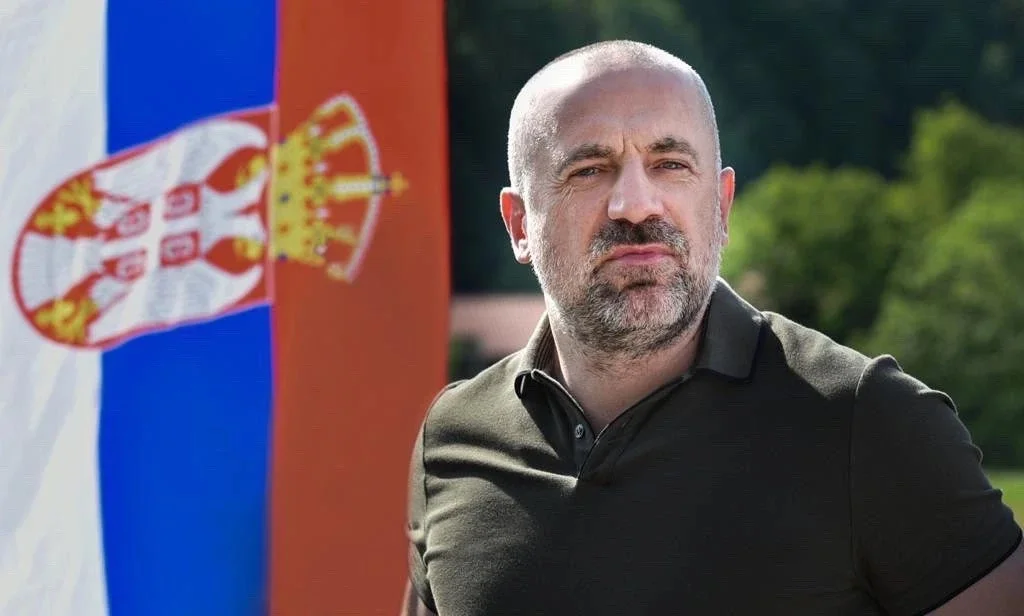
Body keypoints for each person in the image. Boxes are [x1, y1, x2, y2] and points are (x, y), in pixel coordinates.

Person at [401, 40, 1024, 615]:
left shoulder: (869, 421)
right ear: (519, 224)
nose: (636, 204)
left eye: (670, 163)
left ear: (721, 207)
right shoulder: (451, 441)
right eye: (588, 170)